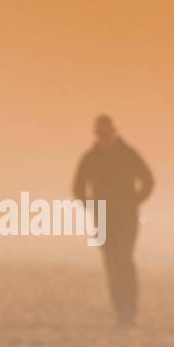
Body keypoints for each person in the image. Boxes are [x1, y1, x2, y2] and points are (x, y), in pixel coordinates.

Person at [72, 115, 153, 328]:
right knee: (111, 265)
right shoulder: (90, 158)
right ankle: (120, 311)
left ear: (114, 132)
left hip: (126, 218)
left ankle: (130, 311)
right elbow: (78, 187)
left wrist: (135, 201)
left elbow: (148, 180)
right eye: (100, 135)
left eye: (107, 134)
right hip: (103, 218)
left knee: (124, 261)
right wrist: (90, 205)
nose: (104, 139)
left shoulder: (129, 154)